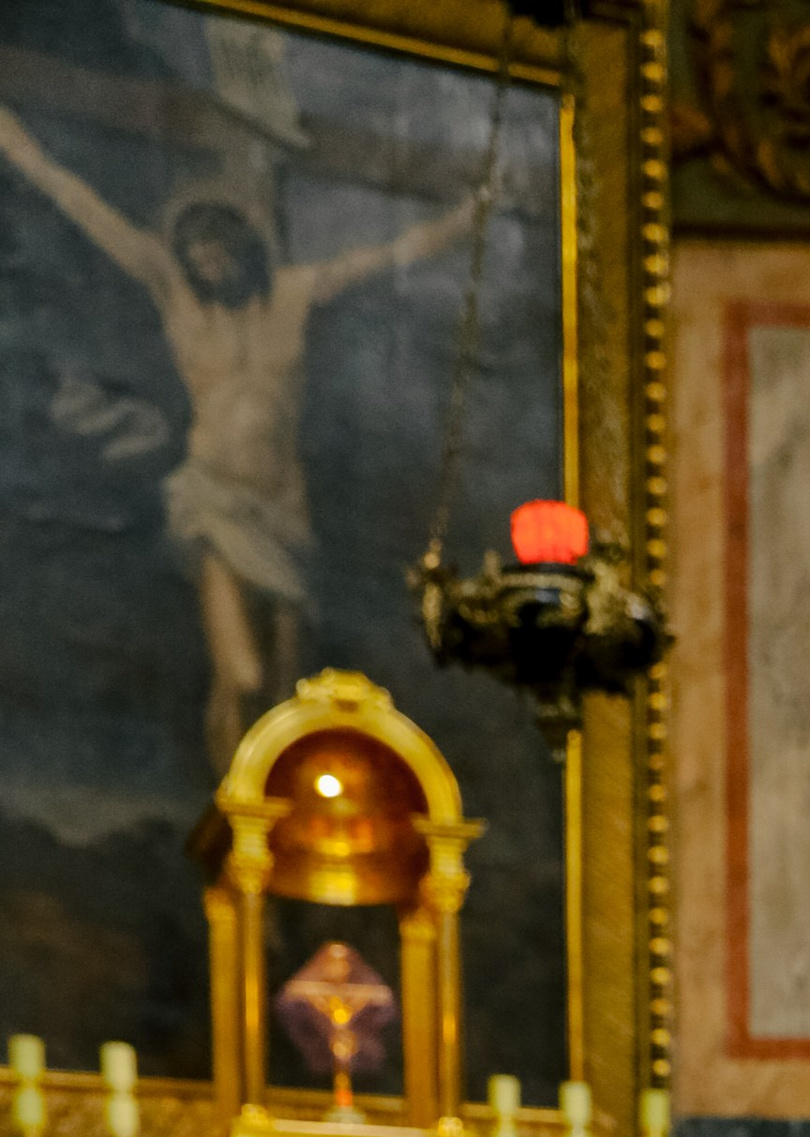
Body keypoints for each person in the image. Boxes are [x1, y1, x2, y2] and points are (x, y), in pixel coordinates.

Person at [0, 120, 473, 774]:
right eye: (193, 250)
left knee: (286, 693)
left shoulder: (295, 294)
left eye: (216, 246)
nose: (205, 260)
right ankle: (231, 815)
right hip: (214, 503)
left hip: (285, 508)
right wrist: (14, 139)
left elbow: (392, 255)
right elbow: (76, 199)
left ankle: (268, 830)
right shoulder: (174, 293)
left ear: (242, 244)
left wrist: (469, 219)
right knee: (243, 676)